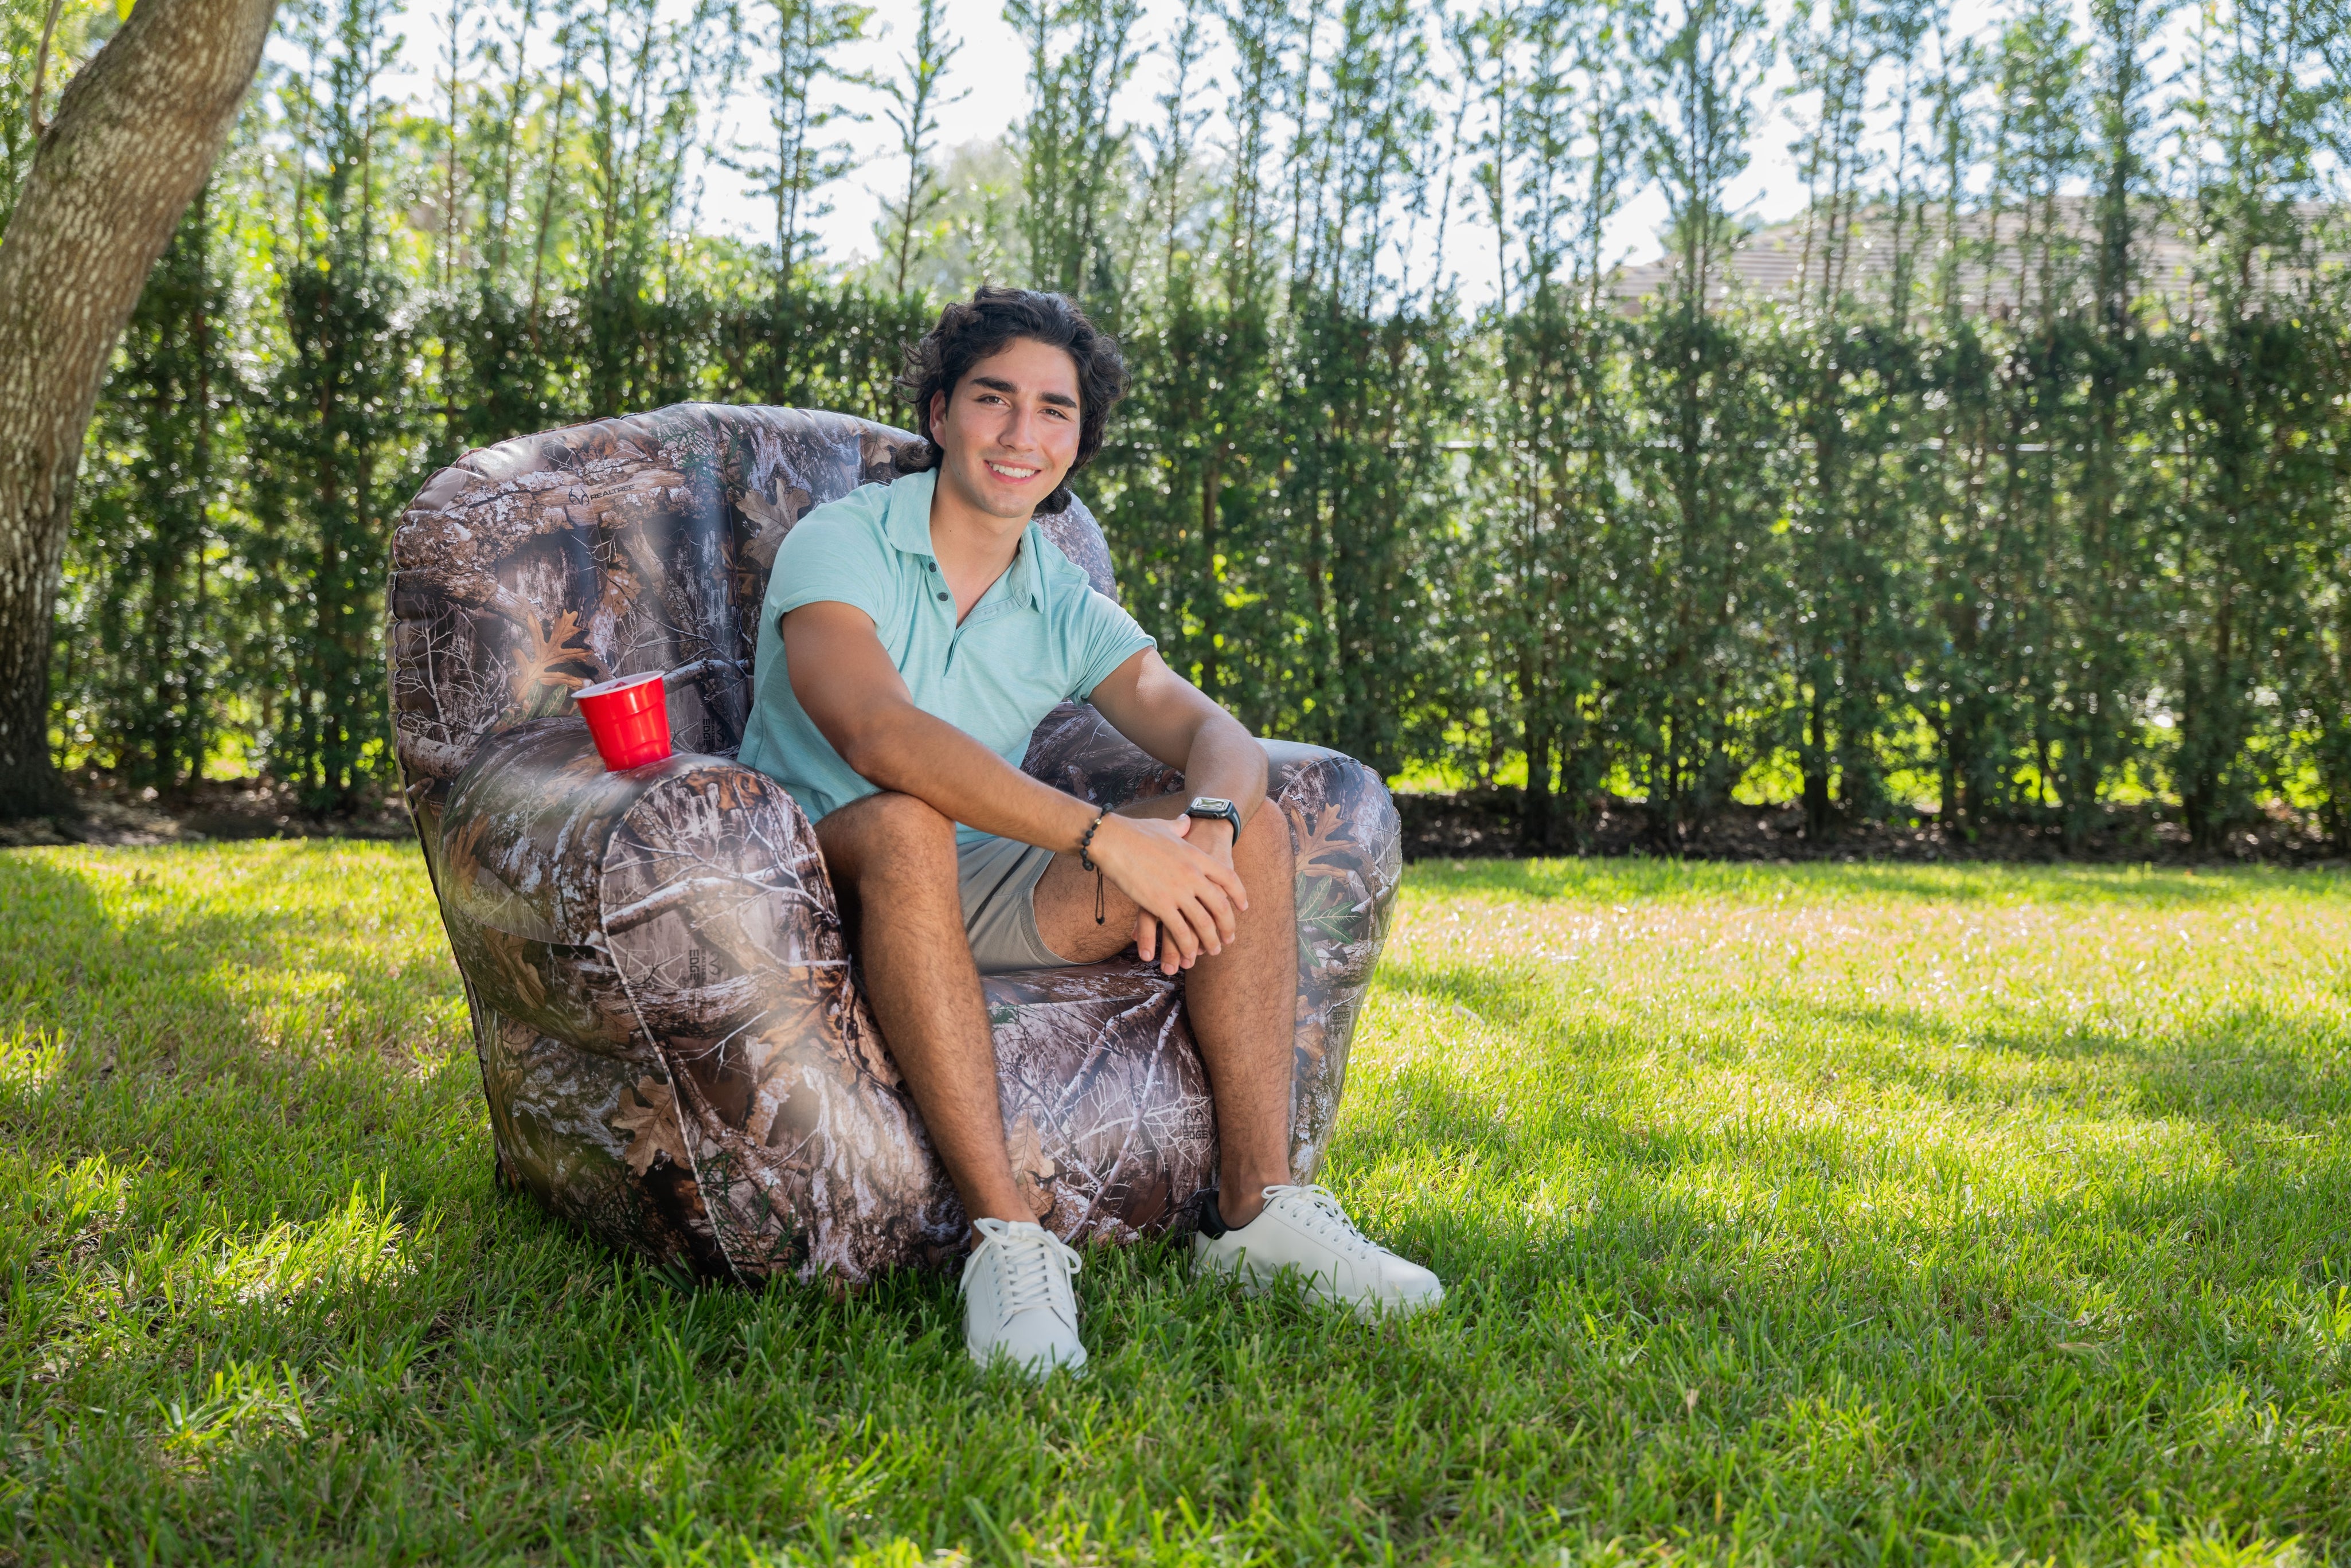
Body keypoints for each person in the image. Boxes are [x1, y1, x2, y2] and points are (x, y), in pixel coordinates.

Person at [737, 286, 1442, 1374]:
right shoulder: (844, 541)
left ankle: (1258, 1217)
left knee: (1251, 827)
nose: (1023, 434)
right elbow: (876, 734)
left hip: (980, 882)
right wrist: (1108, 838)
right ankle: (1008, 1243)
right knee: (910, 824)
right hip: (809, 873)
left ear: (1079, 440)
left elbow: (1212, 730)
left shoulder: (1057, 595)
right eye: (994, 399)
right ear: (938, 415)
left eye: (1055, 412)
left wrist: (1205, 830)